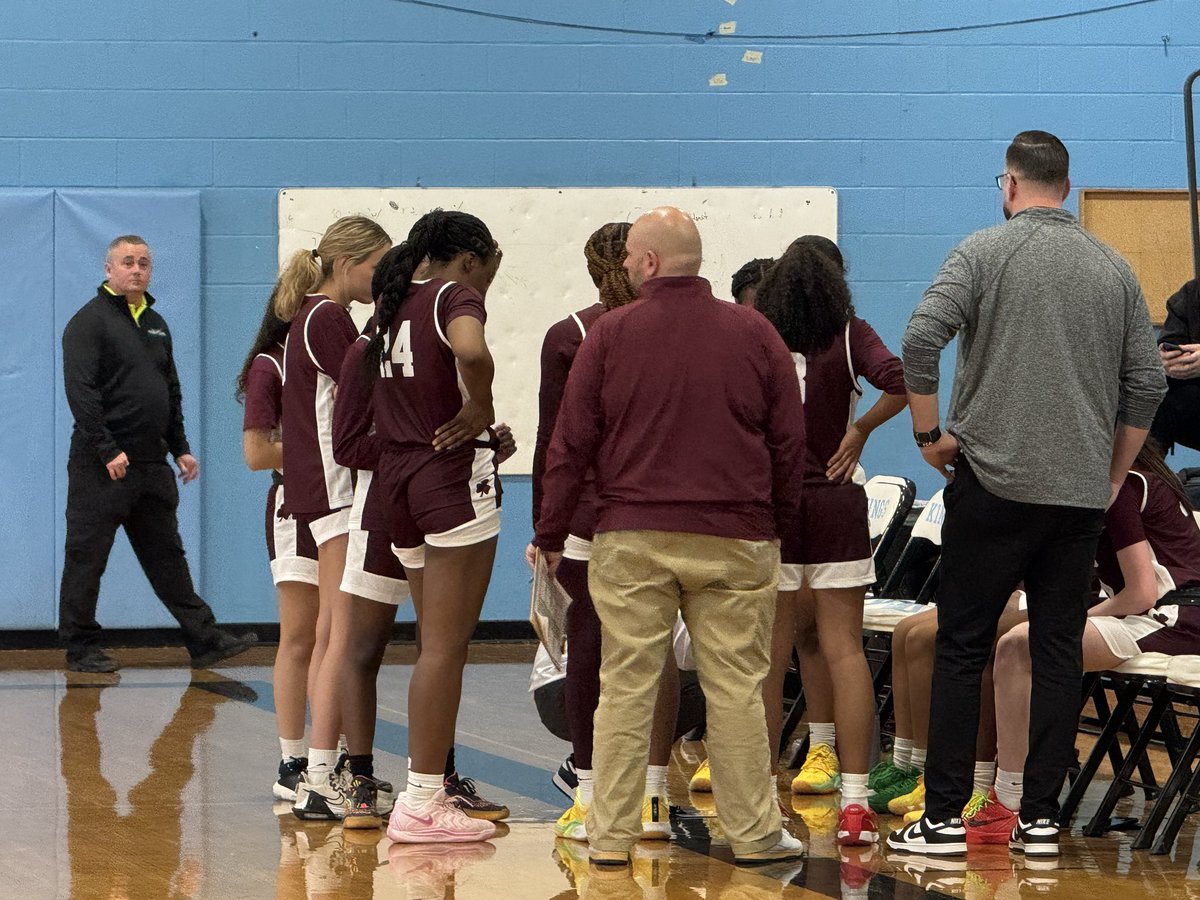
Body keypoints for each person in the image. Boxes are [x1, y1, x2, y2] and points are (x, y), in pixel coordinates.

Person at [887, 130, 1166, 858]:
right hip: (1075, 498)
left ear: (1009, 186)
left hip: (992, 484)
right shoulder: (1113, 267)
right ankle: (1041, 820)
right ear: (1066, 189)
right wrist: (1112, 474)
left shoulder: (982, 251)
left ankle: (943, 820)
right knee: (1055, 652)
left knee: (962, 647)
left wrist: (928, 436)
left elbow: (920, 340)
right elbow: (1148, 382)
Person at [534, 207, 809, 868]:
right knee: (736, 690)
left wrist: (550, 530)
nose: (626, 265)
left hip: (632, 538)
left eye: (631, 255)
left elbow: (571, 442)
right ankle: (755, 835)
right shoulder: (755, 331)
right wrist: (776, 523)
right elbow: (789, 439)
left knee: (625, 686)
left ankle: (608, 839)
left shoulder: (610, 334)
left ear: (651, 262)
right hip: (737, 537)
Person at [332, 253, 516, 827]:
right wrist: (417, 446)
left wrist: (479, 442)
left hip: (416, 493)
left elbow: (447, 417)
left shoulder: (417, 336)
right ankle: (362, 779)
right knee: (370, 647)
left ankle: (436, 779)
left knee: (436, 644)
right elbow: (348, 444)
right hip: (379, 504)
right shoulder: (370, 344)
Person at [970, 440, 1200, 851]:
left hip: (1175, 617)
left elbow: (1142, 593)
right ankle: (991, 788)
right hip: (1156, 612)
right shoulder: (1121, 482)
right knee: (1011, 637)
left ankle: (1008, 801)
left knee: (1018, 645)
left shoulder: (1123, 487)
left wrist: (1072, 618)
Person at [527, 222, 679, 844]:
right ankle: (654, 797)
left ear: (592, 270)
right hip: (664, 510)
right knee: (655, 653)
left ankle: (589, 795)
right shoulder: (675, 329)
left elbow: (554, 443)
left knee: (587, 655)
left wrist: (545, 527)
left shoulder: (570, 335)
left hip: (592, 519)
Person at [752, 238, 907, 847]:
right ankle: (857, 805)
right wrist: (861, 429)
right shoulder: (849, 333)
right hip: (837, 502)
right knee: (845, 651)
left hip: (775, 508)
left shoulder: (758, 333)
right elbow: (902, 380)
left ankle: (760, 802)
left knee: (769, 659)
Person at [60, 235, 256, 673]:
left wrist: (180, 448)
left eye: (144, 263)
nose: (136, 269)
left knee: (167, 556)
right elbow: (81, 392)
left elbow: (170, 390)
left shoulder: (156, 324)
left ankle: (204, 639)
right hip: (103, 466)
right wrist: (107, 448)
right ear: (109, 269)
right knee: (86, 558)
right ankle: (81, 648)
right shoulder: (88, 323)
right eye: (127, 262)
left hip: (151, 464)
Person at [275, 215, 393, 823]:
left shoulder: (308, 316)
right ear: (346, 263)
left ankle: (325, 772)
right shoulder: (328, 318)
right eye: (377, 266)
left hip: (323, 490)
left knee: (329, 634)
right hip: (339, 490)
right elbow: (365, 392)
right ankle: (320, 779)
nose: (383, 278)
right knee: (339, 637)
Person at [236, 290, 320, 801]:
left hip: (345, 504)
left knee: (339, 638)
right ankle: (292, 761)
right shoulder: (271, 366)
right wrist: (321, 450)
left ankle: (337, 759)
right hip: (297, 505)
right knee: (300, 637)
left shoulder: (343, 356)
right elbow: (256, 453)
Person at [1150, 278, 1200, 454]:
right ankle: (1146, 469)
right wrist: (1165, 359)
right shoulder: (1191, 293)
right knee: (1149, 392)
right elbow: (1169, 342)